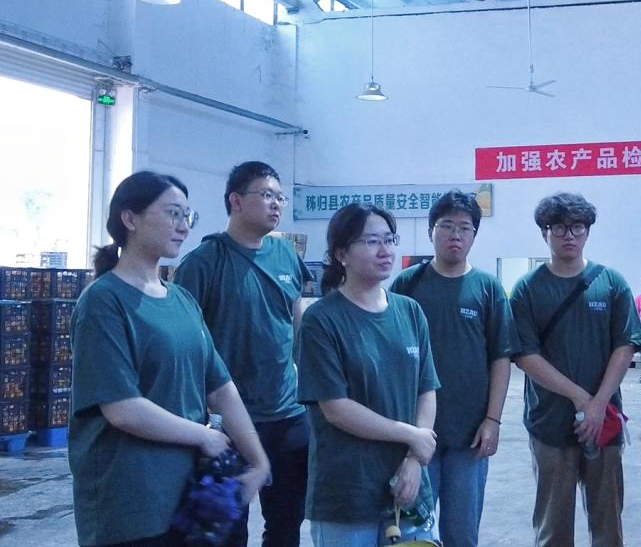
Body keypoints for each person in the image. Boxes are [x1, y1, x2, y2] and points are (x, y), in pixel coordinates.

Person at [69, 171, 270, 547]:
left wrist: (258, 460)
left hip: (187, 499)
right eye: (173, 213)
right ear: (130, 219)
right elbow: (123, 409)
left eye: (187, 216)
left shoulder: (181, 300)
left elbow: (221, 388)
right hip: (131, 504)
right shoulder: (103, 302)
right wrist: (204, 435)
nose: (184, 226)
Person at [174, 161, 313, 547]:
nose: (276, 204)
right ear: (235, 201)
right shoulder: (204, 262)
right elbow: (187, 343)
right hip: (228, 421)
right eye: (266, 195)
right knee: (226, 526)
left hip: (287, 415)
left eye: (280, 197)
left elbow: (296, 317)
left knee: (286, 525)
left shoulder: (286, 255)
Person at [297, 204, 440, 547]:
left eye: (389, 239)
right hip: (348, 492)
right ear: (341, 254)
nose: (385, 250)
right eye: (372, 241)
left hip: (409, 488)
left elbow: (426, 390)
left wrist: (415, 459)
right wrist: (412, 436)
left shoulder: (410, 311)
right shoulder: (322, 320)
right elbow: (336, 409)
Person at [510, 192, 641, 547]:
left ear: (588, 231)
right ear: (544, 232)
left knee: (608, 525)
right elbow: (525, 355)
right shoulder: (527, 289)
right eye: (558, 227)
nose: (568, 235)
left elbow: (625, 345)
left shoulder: (611, 282)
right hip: (549, 424)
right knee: (553, 529)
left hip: (604, 423)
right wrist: (581, 399)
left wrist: (599, 404)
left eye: (577, 227)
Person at [390, 190, 516, 547]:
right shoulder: (407, 284)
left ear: (474, 235)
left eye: (464, 227)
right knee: (413, 534)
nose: (455, 235)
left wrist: (492, 420)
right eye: (446, 225)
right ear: (431, 230)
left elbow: (501, 358)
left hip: (469, 435)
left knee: (461, 534)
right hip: (414, 433)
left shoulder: (487, 289)